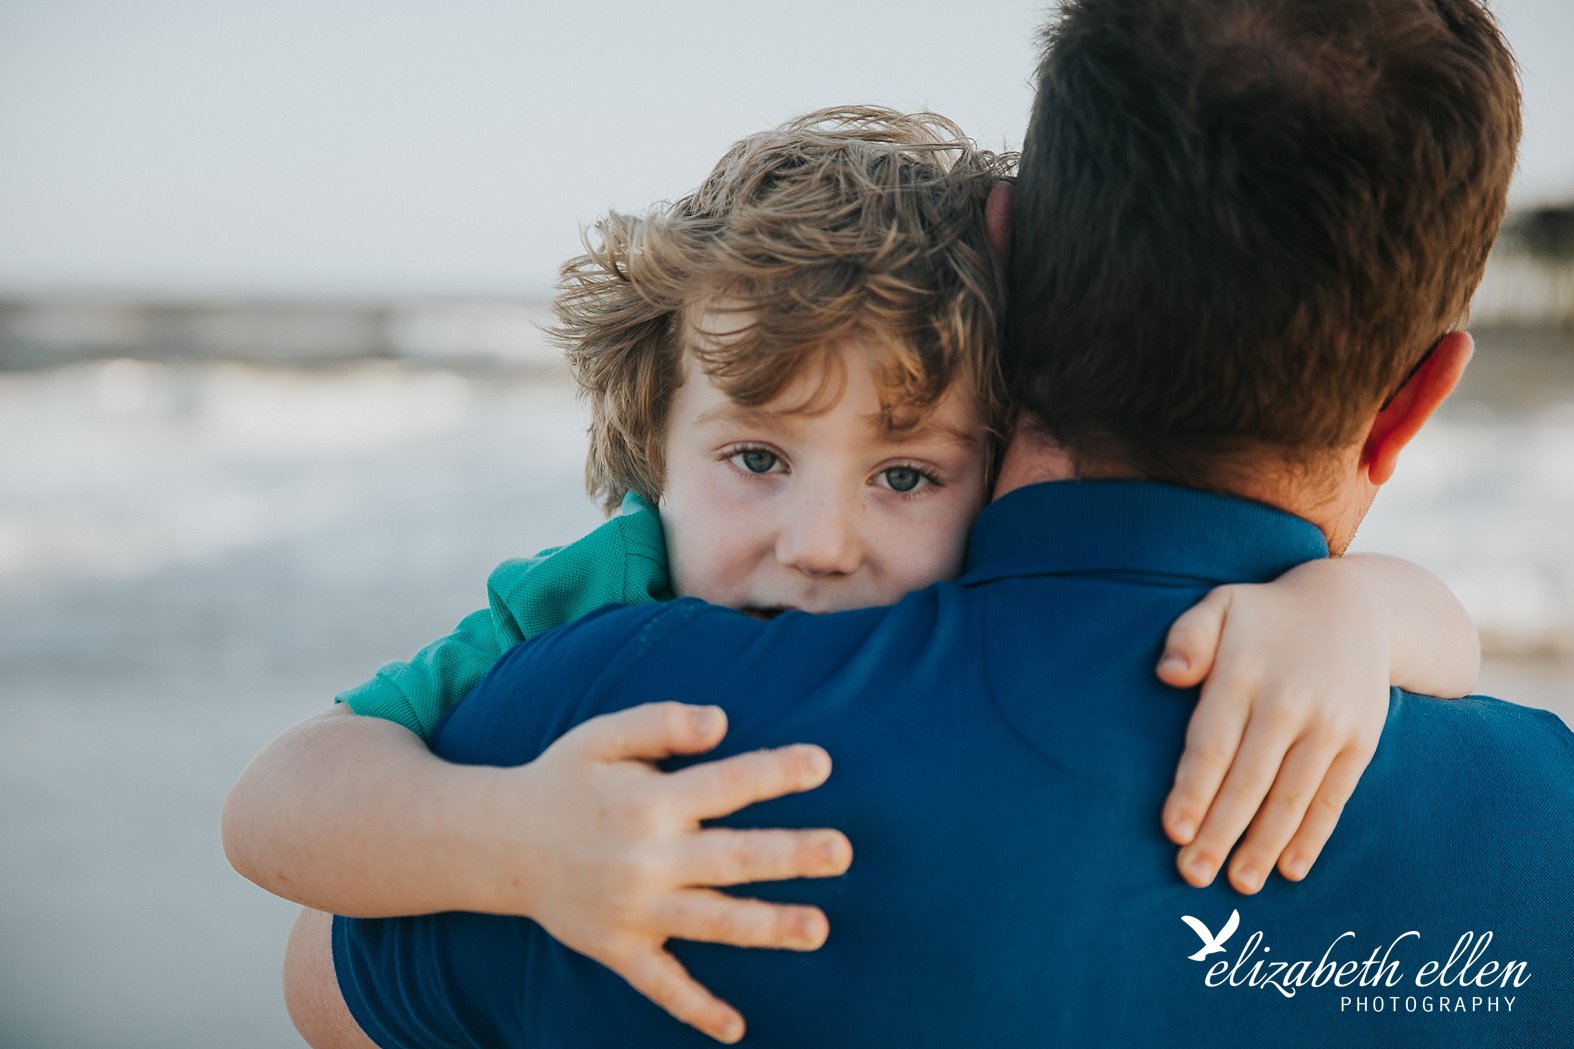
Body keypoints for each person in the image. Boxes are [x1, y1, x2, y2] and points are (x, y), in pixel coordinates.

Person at [240, 13, 1571, 1033]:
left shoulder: (594, 715)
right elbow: (285, 800)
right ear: (1416, 403)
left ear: (1007, 283)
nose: (819, 541)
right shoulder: (1536, 817)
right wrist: (511, 842)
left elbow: (323, 979)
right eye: (757, 454)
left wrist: (1354, 606)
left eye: (899, 472)